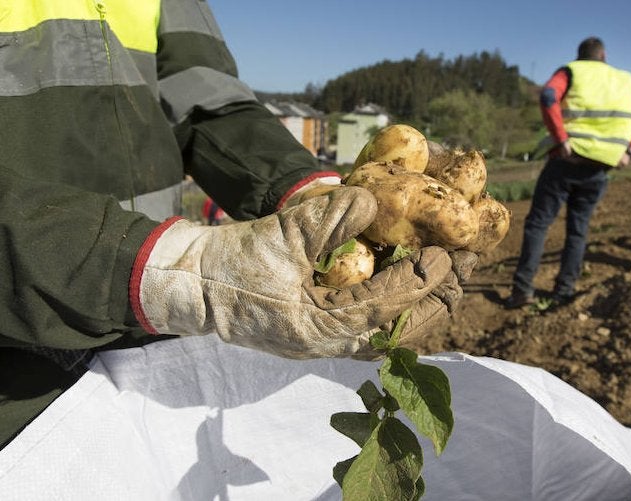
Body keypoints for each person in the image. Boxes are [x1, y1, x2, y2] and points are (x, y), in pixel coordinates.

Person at [0, 0, 470, 449]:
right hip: (17, 373)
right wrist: (177, 271)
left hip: (151, 339)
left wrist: (308, 194)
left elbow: (209, 104)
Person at [508, 37, 631, 308]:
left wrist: (561, 138)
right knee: (578, 230)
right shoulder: (625, 79)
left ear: (580, 56)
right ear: (603, 56)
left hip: (567, 160)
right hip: (600, 168)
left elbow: (548, 96)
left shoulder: (572, 71)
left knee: (538, 224)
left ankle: (522, 290)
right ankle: (564, 291)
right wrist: (630, 150)